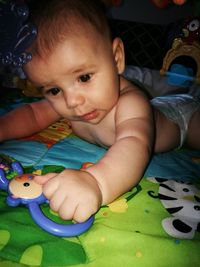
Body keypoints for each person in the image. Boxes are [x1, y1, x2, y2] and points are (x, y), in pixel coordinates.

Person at [0, 0, 200, 223]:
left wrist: (96, 182)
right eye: (54, 89)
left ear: (116, 59)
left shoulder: (131, 103)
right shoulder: (70, 101)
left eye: (84, 77)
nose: (72, 101)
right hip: (160, 104)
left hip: (181, 117)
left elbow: (134, 144)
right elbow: (33, 114)